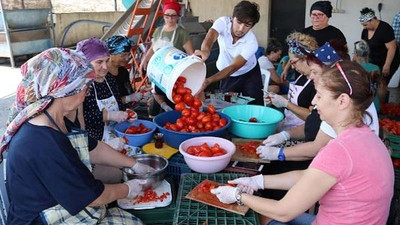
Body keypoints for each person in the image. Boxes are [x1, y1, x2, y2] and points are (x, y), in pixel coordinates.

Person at [211, 60, 394, 225]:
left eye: (320, 96)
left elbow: (283, 212)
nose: (314, 102)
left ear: (343, 101)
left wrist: (237, 195)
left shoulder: (339, 150)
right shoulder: (368, 136)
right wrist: (258, 181)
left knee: (256, 216)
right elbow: (309, 178)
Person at [0, 48, 150, 224]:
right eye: (84, 87)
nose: (87, 92)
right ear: (64, 90)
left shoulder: (54, 119)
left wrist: (135, 164)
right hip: (44, 219)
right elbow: (93, 197)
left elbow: (93, 148)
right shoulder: (41, 142)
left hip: (66, 204)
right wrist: (129, 189)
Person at [258, 43, 379, 164]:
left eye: (314, 72)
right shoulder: (332, 92)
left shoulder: (340, 100)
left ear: (330, 72)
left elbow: (317, 147)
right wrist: (286, 135)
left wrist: (279, 153)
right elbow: (314, 123)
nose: (310, 77)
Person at [194, 0, 264, 105]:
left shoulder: (251, 42)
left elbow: (233, 67)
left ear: (252, 26)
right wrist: (205, 50)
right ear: (232, 18)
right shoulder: (223, 22)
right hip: (225, 73)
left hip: (249, 73)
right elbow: (211, 36)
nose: (241, 29)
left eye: (247, 25)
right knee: (227, 104)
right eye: (239, 22)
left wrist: (208, 81)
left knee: (254, 105)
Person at [140, 0, 194, 116]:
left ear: (178, 16)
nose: (170, 19)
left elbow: (191, 55)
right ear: (163, 15)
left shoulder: (181, 33)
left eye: (173, 16)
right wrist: (145, 59)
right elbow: (153, 48)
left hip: (173, 75)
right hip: (158, 71)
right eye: (167, 16)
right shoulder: (159, 31)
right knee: (156, 98)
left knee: (172, 103)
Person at [78, 37, 133, 141]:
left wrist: (126, 114)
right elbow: (80, 118)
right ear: (85, 63)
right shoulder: (81, 86)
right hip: (94, 141)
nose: (105, 67)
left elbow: (118, 104)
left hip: (116, 134)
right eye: (99, 62)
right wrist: (108, 115)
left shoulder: (109, 79)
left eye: (107, 61)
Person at [280, 1, 347, 79]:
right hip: (302, 74)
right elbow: (294, 53)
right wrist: (286, 69)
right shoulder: (304, 32)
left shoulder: (336, 34)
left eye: (320, 15)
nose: (316, 17)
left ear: (328, 17)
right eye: (313, 14)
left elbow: (344, 56)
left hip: (323, 76)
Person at [267, 32, 318, 132]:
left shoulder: (317, 83)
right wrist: (276, 98)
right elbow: (296, 98)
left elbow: (312, 117)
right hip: (288, 123)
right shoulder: (302, 76)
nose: (293, 67)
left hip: (302, 130)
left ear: (306, 59)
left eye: (294, 62)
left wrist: (286, 104)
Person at [105, 35, 151, 109]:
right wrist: (128, 98)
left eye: (128, 54)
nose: (127, 58)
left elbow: (127, 91)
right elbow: (106, 103)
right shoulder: (103, 76)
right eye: (123, 55)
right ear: (111, 55)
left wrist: (141, 92)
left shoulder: (123, 71)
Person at [360, 7, 400, 82]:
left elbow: (392, 48)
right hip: (374, 61)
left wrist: (387, 65)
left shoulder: (385, 29)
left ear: (371, 20)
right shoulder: (365, 31)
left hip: (387, 61)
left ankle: (383, 93)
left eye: (365, 25)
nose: (364, 27)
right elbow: (363, 46)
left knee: (382, 83)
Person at [352, 39, 383, 111]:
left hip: (361, 108)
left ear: (356, 54)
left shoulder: (354, 68)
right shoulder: (376, 68)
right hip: (375, 106)